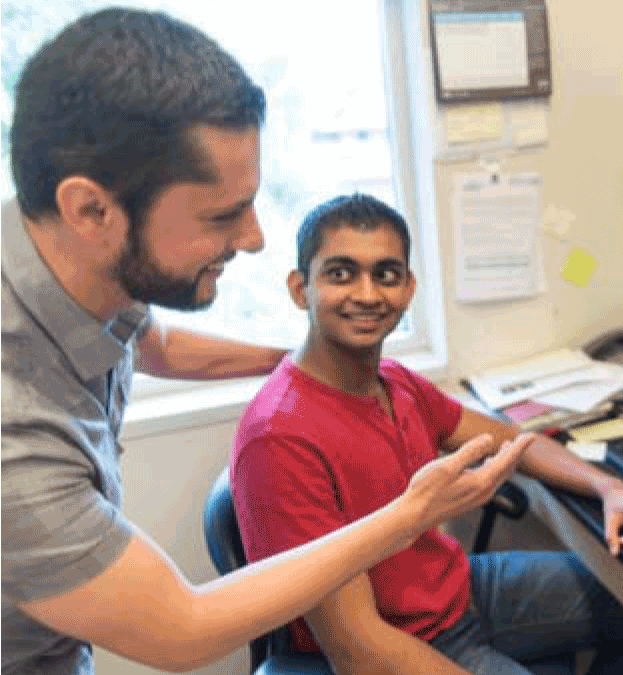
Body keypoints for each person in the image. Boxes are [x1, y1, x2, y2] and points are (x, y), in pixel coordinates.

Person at [0, 9, 533, 675]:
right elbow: (182, 630)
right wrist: (408, 515)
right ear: (92, 211)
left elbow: (154, 341)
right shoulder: (14, 430)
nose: (253, 237)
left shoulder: (71, 252)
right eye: (223, 214)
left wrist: (289, 360)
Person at [230, 193, 623, 674]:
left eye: (386, 274)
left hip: (460, 591)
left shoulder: (396, 381)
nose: (367, 294)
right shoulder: (279, 437)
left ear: (408, 288)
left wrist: (609, 487)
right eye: (341, 274)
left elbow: (509, 440)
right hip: (399, 646)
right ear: (301, 289)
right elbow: (359, 650)